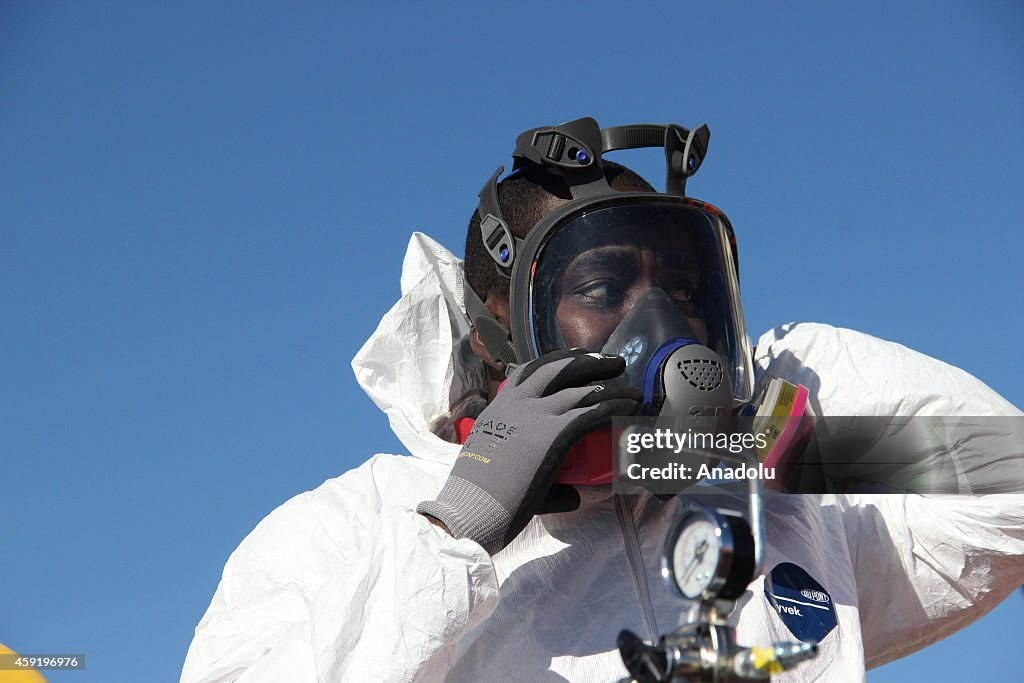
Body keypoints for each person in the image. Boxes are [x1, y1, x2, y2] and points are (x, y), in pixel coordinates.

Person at [180, 118, 1024, 682]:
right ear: (496, 335)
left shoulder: (782, 509)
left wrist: (785, 369)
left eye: (689, 291)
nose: (660, 323)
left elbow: (1008, 484)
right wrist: (459, 525)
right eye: (603, 285)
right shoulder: (355, 523)